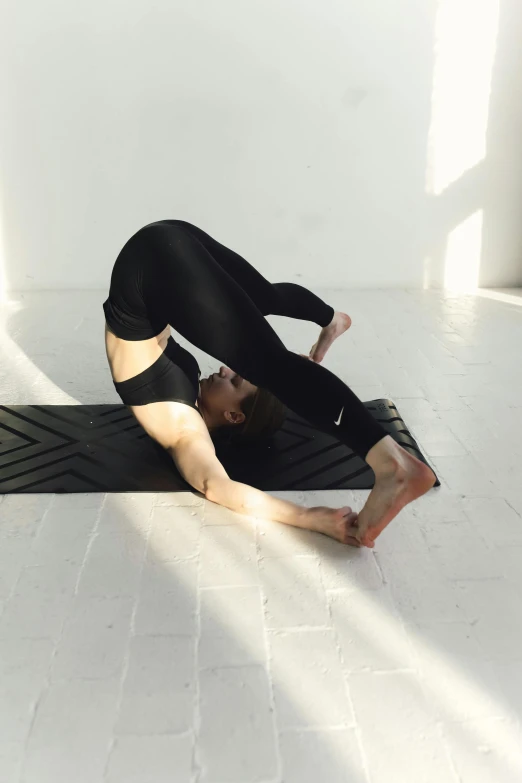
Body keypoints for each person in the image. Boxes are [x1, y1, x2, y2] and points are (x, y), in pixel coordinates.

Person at [103, 220, 436, 547]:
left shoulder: (181, 428)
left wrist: (309, 518)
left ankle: (394, 465)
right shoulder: (188, 397)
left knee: (270, 363)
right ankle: (333, 319)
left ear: (235, 416)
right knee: (263, 297)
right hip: (167, 246)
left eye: (235, 380)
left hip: (152, 260)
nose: (225, 369)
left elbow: (215, 485)